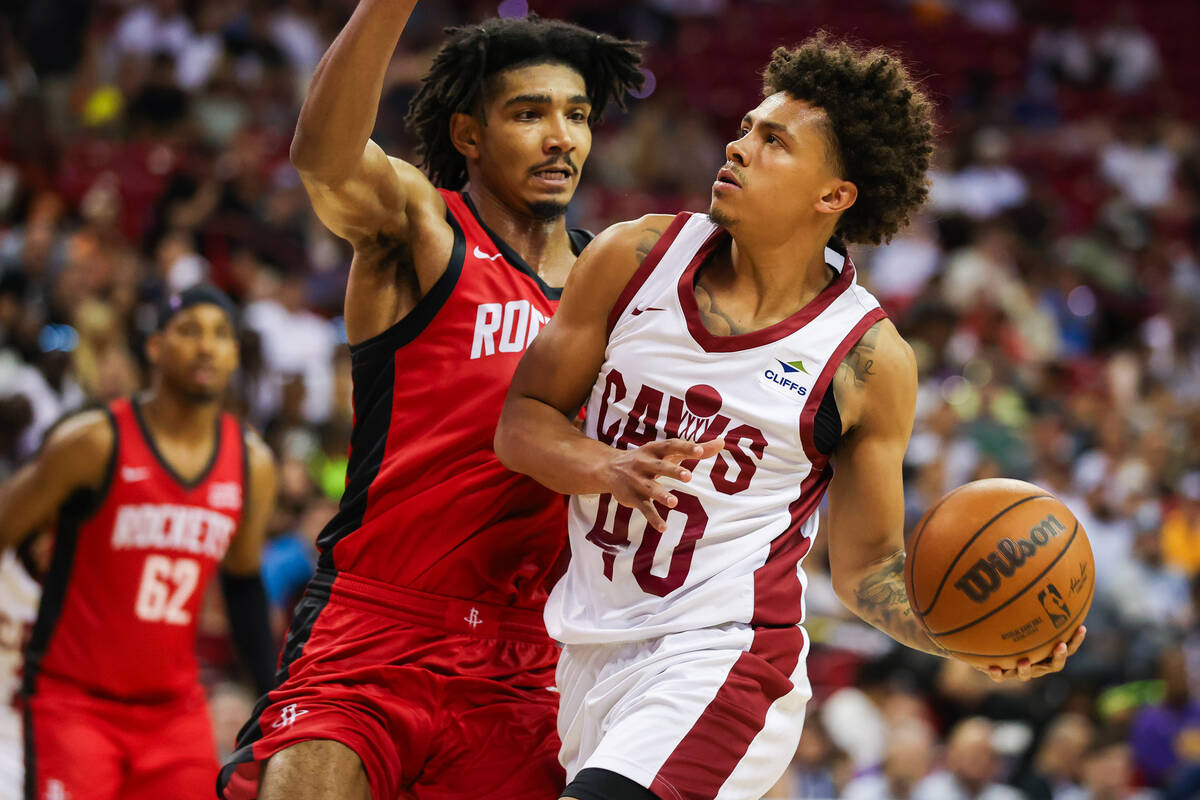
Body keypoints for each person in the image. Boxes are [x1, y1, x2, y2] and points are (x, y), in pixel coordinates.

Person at [494, 33, 1086, 799]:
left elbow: (869, 568)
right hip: (584, 649)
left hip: (726, 659)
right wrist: (607, 465)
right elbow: (523, 422)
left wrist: (964, 639)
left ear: (833, 195)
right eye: (746, 128)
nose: (738, 147)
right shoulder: (633, 254)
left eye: (773, 142)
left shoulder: (865, 360)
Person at [217, 3, 643, 799]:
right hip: (376, 624)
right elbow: (323, 158)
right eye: (529, 113)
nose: (562, 137)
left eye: (577, 116)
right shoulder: (422, 230)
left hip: (525, 658)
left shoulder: (613, 288)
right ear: (467, 135)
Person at [0, 285, 278, 800]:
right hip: (75, 704)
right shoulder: (92, 442)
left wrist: (271, 694)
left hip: (174, 711)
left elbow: (243, 588)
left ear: (236, 354)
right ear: (154, 347)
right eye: (189, 330)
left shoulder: (251, 465)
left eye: (221, 335)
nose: (206, 346)